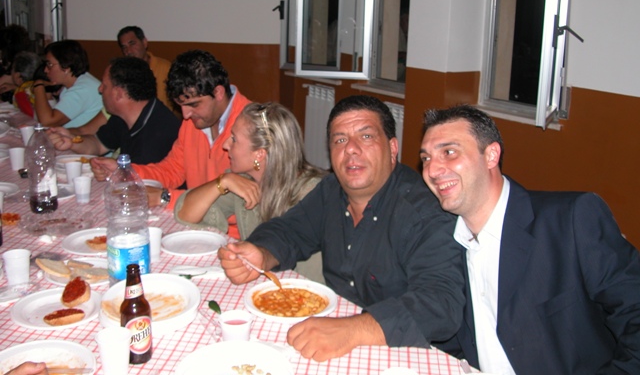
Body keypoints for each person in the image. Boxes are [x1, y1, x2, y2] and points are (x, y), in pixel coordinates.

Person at [219, 95, 464, 362]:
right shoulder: (331, 190)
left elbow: (440, 303)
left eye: (366, 137)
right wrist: (261, 253)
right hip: (341, 337)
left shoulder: (425, 213)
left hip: (412, 354)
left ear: (393, 148)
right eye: (340, 140)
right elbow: (290, 230)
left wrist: (353, 330)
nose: (351, 149)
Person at [421, 105, 640, 374]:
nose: (432, 170)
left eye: (449, 152)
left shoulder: (570, 221)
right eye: (426, 158)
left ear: (491, 155)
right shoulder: (444, 239)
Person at [175, 102, 326, 282]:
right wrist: (222, 182)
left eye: (234, 139)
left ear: (259, 154)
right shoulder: (244, 182)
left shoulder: (313, 194)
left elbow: (306, 277)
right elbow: (184, 214)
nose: (225, 145)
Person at [91, 49, 250, 208]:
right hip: (196, 214)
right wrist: (126, 172)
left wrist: (165, 197)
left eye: (193, 104)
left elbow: (237, 202)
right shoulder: (194, 121)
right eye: (180, 106)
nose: (186, 115)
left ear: (218, 93)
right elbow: (172, 170)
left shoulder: (251, 126)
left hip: (228, 223)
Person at [47, 57, 180, 164]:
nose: (100, 89)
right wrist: (71, 141)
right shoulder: (124, 116)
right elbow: (98, 145)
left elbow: (139, 181)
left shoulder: (158, 133)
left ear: (119, 94)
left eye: (104, 85)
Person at [32, 40, 102, 128]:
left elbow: (47, 121)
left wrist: (38, 85)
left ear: (66, 67)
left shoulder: (83, 89)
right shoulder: (72, 85)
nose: (45, 70)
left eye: (50, 64)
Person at [117, 26, 174, 112]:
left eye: (132, 44)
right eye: (124, 47)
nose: (128, 51)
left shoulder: (165, 68)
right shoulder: (121, 73)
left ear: (144, 42)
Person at [8, 51, 41, 117]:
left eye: (12, 69)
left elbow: (28, 116)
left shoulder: (20, 92)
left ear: (18, 76)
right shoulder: (41, 86)